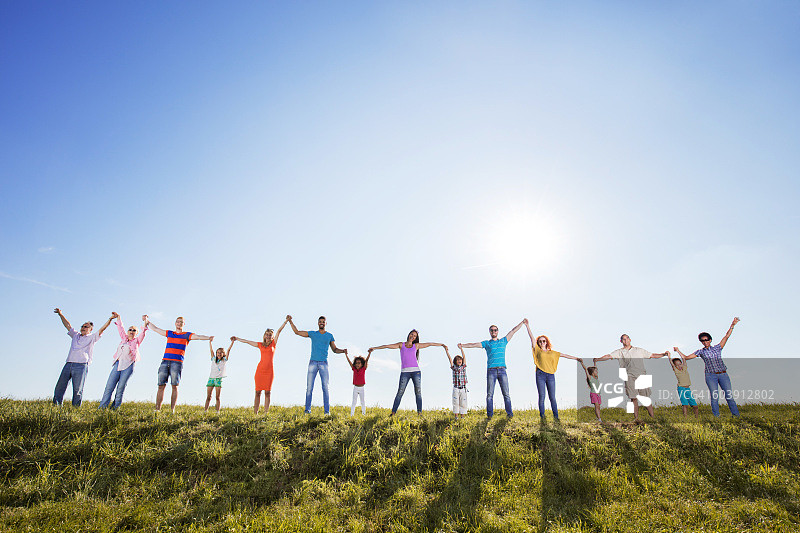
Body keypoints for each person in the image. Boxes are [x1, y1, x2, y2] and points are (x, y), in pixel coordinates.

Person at [458, 319, 526, 419]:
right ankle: (489, 415)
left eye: (495, 330)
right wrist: (462, 346)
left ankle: (510, 414)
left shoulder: (503, 341)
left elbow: (513, 331)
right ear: (489, 332)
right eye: (492, 330)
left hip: (502, 370)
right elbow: (474, 344)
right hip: (491, 371)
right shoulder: (487, 343)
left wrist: (522, 323)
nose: (493, 331)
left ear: (497, 331)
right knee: (490, 394)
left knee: (506, 394)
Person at [145, 315, 214, 413]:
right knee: (161, 385)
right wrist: (147, 321)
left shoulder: (186, 335)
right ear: (175, 323)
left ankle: (172, 410)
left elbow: (198, 337)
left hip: (177, 363)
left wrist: (208, 338)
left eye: (181, 322)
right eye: (178, 321)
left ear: (183, 324)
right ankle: (157, 409)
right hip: (165, 361)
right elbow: (156, 329)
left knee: (174, 385)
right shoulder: (170, 333)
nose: (179, 323)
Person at [369, 330, 448, 416]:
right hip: (405, 372)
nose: (412, 336)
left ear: (415, 338)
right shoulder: (401, 345)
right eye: (412, 334)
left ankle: (420, 413)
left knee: (418, 392)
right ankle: (393, 413)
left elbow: (429, 344)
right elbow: (387, 346)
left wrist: (442, 345)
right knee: (400, 392)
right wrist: (374, 348)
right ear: (409, 334)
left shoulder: (416, 346)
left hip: (416, 372)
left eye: (415, 336)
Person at [594, 334, 669, 423]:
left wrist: (663, 354)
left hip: (641, 375)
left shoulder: (639, 350)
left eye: (627, 339)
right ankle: (636, 419)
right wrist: (598, 359)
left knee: (645, 397)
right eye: (623, 339)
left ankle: (653, 417)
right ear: (621, 341)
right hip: (629, 376)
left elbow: (652, 355)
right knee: (633, 398)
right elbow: (609, 356)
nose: (625, 341)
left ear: (630, 339)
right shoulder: (620, 352)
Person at [676, 317, 741, 418]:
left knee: (729, 396)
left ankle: (736, 415)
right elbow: (686, 358)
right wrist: (678, 351)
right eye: (702, 340)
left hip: (723, 374)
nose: (705, 342)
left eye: (706, 340)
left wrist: (732, 325)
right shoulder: (700, 351)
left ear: (710, 340)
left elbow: (726, 336)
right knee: (714, 397)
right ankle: (716, 416)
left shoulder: (717, 348)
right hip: (711, 376)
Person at [52, 308, 113, 407]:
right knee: (60, 387)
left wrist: (110, 319)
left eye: (86, 327)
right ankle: (56, 406)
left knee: (77, 389)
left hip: (81, 366)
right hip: (69, 364)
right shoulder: (75, 335)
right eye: (82, 326)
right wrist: (60, 314)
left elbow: (102, 329)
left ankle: (75, 408)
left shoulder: (92, 337)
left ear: (90, 329)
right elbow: (68, 325)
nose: (83, 328)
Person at [287, 315, 347, 415]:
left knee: (325, 388)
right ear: (318, 323)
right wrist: (290, 321)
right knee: (309, 388)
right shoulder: (313, 334)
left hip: (323, 363)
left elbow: (334, 349)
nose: (321, 323)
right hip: (313, 363)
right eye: (320, 321)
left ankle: (327, 412)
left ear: (326, 323)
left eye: (323, 321)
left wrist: (343, 351)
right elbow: (297, 332)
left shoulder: (329, 336)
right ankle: (307, 410)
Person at [523, 320, 583, 421]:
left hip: (550, 375)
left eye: (544, 341)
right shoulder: (537, 350)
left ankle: (556, 417)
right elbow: (532, 338)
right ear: (538, 343)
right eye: (540, 341)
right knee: (542, 396)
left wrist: (577, 358)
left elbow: (565, 355)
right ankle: (542, 417)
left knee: (552, 397)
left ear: (546, 342)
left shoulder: (553, 353)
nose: (542, 342)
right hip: (540, 374)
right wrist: (527, 326)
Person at [231, 317, 289, 414]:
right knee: (258, 392)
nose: (268, 336)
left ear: (272, 337)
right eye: (267, 334)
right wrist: (237, 339)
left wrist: (286, 321)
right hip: (260, 371)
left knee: (267, 392)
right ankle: (255, 413)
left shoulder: (273, 344)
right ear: (264, 336)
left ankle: (266, 413)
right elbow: (248, 341)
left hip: (269, 371)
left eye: (270, 335)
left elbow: (279, 331)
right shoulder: (260, 345)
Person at [99, 312, 147, 409]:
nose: (131, 331)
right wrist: (118, 317)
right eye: (130, 329)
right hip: (118, 364)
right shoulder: (124, 338)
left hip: (128, 366)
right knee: (109, 387)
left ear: (136, 333)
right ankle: (102, 407)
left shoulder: (137, 341)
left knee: (120, 388)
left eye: (134, 330)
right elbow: (120, 328)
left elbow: (143, 332)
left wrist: (145, 321)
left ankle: (115, 408)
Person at [655, 350, 699, 418]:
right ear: (675, 366)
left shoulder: (685, 369)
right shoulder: (676, 371)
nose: (679, 366)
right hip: (681, 389)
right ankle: (685, 418)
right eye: (677, 365)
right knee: (685, 405)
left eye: (680, 364)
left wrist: (678, 351)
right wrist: (669, 356)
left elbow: (684, 359)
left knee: (695, 406)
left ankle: (697, 418)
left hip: (688, 389)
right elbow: (671, 363)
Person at [205, 338, 234, 413]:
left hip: (218, 380)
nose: (219, 354)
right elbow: (211, 350)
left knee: (217, 397)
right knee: (208, 396)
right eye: (218, 352)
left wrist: (232, 342)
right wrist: (210, 342)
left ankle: (217, 411)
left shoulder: (224, 360)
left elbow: (228, 350)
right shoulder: (213, 359)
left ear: (223, 354)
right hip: (211, 379)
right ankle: (205, 410)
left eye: (221, 353)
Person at [445, 345, 468, 419]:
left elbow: (464, 357)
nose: (459, 361)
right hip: (456, 388)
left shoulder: (463, 367)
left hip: (463, 388)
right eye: (457, 360)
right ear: (455, 361)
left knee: (463, 402)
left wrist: (461, 349)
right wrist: (447, 351)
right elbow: (450, 359)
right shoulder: (454, 368)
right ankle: (456, 416)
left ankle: (462, 416)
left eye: (460, 360)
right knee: (456, 402)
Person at [346, 352, 371, 416]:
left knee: (362, 402)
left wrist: (369, 353)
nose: (357, 364)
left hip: (362, 388)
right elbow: (349, 362)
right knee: (354, 402)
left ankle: (364, 414)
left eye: (359, 363)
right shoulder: (354, 369)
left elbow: (366, 360)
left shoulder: (363, 369)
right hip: (355, 388)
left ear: (362, 364)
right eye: (356, 363)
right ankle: (351, 415)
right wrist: (346, 355)